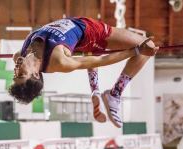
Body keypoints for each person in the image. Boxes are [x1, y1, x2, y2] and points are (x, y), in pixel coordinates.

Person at [9, 17, 159, 128]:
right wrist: (137, 50)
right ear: (36, 74)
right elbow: (100, 61)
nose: (16, 69)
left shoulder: (18, 56)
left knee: (87, 54)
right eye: (21, 75)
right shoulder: (59, 61)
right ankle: (115, 93)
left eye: (15, 75)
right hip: (92, 32)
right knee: (149, 46)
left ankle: (96, 90)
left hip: (76, 27)